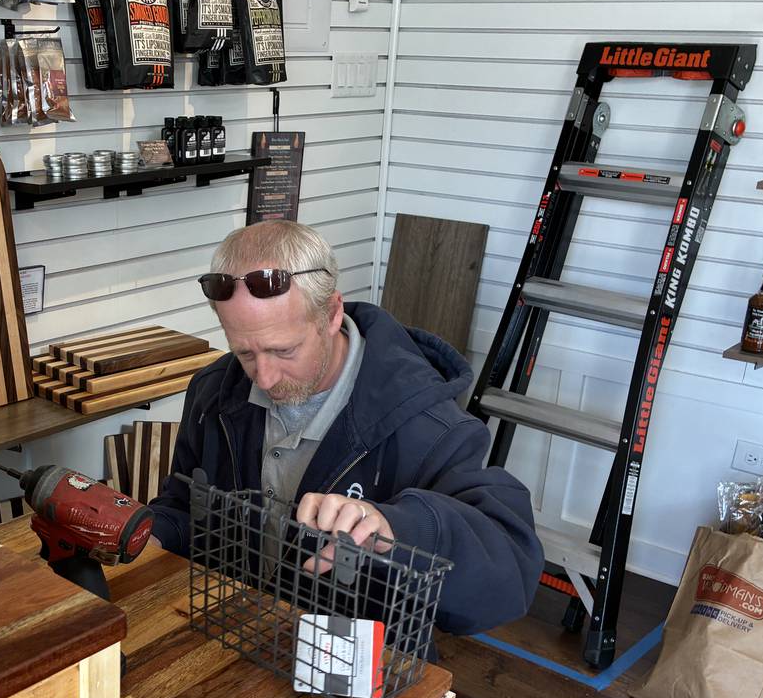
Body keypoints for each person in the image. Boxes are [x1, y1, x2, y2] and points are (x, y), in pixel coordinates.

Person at [147, 219, 542, 638]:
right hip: (235, 638)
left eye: (284, 350)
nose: (262, 377)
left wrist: (401, 529)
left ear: (332, 313)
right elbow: (188, 505)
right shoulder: (213, 393)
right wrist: (154, 534)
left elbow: (508, 580)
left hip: (352, 672)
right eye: (244, 352)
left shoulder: (430, 427)